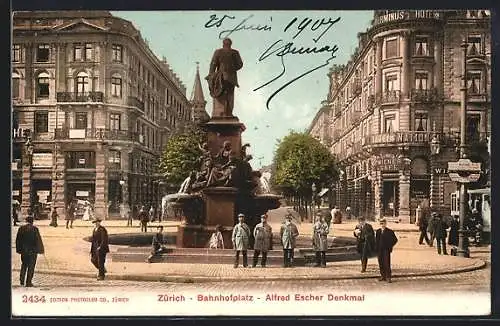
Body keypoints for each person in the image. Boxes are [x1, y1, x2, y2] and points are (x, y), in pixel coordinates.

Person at [206, 37, 243, 117]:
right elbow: (240, 64)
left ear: (223, 44)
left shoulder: (218, 52)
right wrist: (232, 69)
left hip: (221, 76)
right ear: (230, 44)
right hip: (231, 77)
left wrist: (211, 74)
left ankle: (220, 113)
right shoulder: (235, 52)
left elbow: (213, 64)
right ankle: (228, 113)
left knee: (221, 94)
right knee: (230, 94)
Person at [15, 213, 45, 287]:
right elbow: (38, 240)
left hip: (24, 251)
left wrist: (19, 250)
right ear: (32, 221)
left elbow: (18, 240)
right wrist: (41, 250)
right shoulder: (35, 229)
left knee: (24, 265)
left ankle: (21, 281)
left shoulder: (21, 228)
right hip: (33, 251)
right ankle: (28, 282)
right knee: (31, 267)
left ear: (26, 221)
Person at [375, 218, 398, 283]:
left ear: (386, 224)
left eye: (383, 223)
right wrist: (376, 249)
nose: (382, 225)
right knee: (381, 263)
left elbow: (395, 240)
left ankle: (388, 277)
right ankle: (383, 276)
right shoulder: (378, 231)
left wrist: (389, 246)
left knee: (386, 263)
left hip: (386, 250)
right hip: (379, 250)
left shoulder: (390, 231)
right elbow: (376, 241)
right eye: (381, 223)